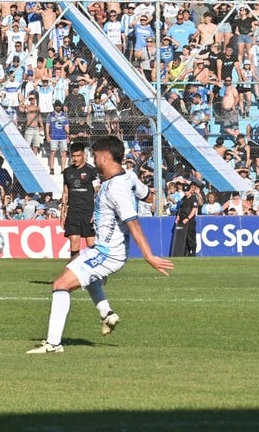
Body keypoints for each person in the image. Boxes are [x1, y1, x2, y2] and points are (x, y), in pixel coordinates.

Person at [27, 136, 173, 354]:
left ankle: (53, 343)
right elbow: (148, 197)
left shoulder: (116, 188)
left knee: (60, 285)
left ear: (105, 157)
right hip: (105, 249)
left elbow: (132, 223)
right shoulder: (129, 177)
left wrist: (149, 256)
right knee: (88, 278)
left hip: (108, 252)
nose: (94, 161)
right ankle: (107, 313)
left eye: (95, 157)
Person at [61, 141, 98, 258]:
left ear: (84, 156)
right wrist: (63, 213)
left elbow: (97, 192)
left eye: (78, 156)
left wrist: (96, 212)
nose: (75, 159)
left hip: (88, 212)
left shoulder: (92, 171)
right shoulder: (67, 172)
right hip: (73, 213)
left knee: (91, 245)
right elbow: (65, 192)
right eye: (74, 156)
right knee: (74, 242)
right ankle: (74, 273)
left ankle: (96, 274)